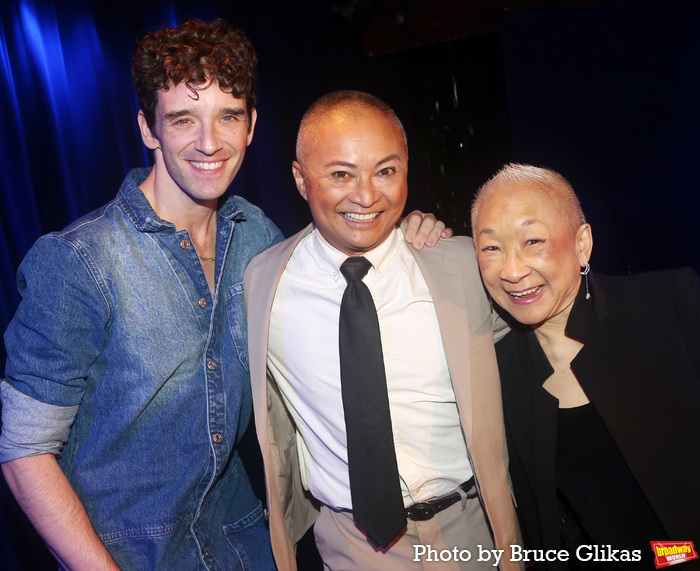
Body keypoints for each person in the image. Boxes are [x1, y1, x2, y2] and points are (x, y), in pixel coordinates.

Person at [0, 20, 446, 569]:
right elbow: (24, 450)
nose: (209, 143)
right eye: (183, 119)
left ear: (252, 126)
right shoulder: (77, 261)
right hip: (127, 554)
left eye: (228, 117)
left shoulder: (256, 235)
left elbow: (345, 243)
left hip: (245, 545)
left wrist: (411, 230)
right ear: (147, 128)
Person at [244, 90, 521, 570]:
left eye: (386, 171)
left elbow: (542, 332)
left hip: (475, 529)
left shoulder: (460, 264)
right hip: (354, 545)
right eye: (340, 174)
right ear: (300, 179)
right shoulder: (263, 282)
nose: (367, 196)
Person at [471, 163, 700, 570]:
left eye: (533, 240)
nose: (512, 269)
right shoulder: (498, 369)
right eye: (491, 248)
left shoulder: (669, 306)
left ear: (582, 244)